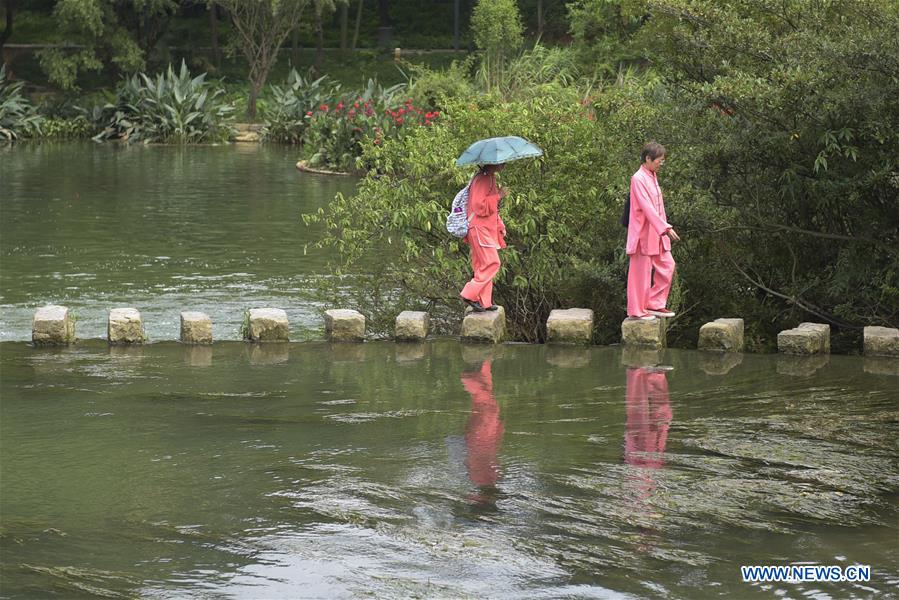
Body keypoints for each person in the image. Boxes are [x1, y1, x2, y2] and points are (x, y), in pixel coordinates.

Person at [626, 142, 680, 320]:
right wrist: (665, 227)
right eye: (659, 160)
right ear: (648, 159)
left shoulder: (652, 176)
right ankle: (637, 310)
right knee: (640, 273)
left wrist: (663, 227)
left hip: (657, 233)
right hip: (644, 233)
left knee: (667, 265)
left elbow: (658, 207)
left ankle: (654, 304)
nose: (660, 164)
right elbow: (647, 207)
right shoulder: (638, 178)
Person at [460, 164, 507, 312]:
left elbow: (490, 211)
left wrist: (500, 225)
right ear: (492, 163)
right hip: (480, 229)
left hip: (484, 228)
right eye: (501, 162)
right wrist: (499, 196)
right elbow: (479, 206)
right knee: (492, 263)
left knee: (482, 265)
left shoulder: (489, 178)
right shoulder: (483, 179)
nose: (504, 164)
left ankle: (484, 301)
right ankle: (469, 294)